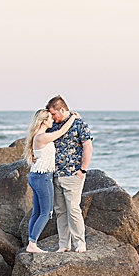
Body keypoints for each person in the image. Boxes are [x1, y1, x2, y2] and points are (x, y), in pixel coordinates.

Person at [23, 108, 80, 253]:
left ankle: (31, 241)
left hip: (36, 176)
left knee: (37, 212)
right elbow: (61, 132)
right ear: (43, 121)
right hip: (43, 177)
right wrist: (73, 117)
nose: (53, 120)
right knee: (46, 212)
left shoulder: (38, 135)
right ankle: (32, 244)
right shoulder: (42, 137)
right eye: (50, 118)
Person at [45, 95, 93, 253]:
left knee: (73, 209)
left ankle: (80, 243)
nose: (52, 117)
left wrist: (83, 170)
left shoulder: (79, 124)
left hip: (73, 174)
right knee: (60, 211)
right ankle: (64, 244)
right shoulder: (53, 126)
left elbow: (88, 147)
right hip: (55, 174)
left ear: (62, 109)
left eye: (53, 113)